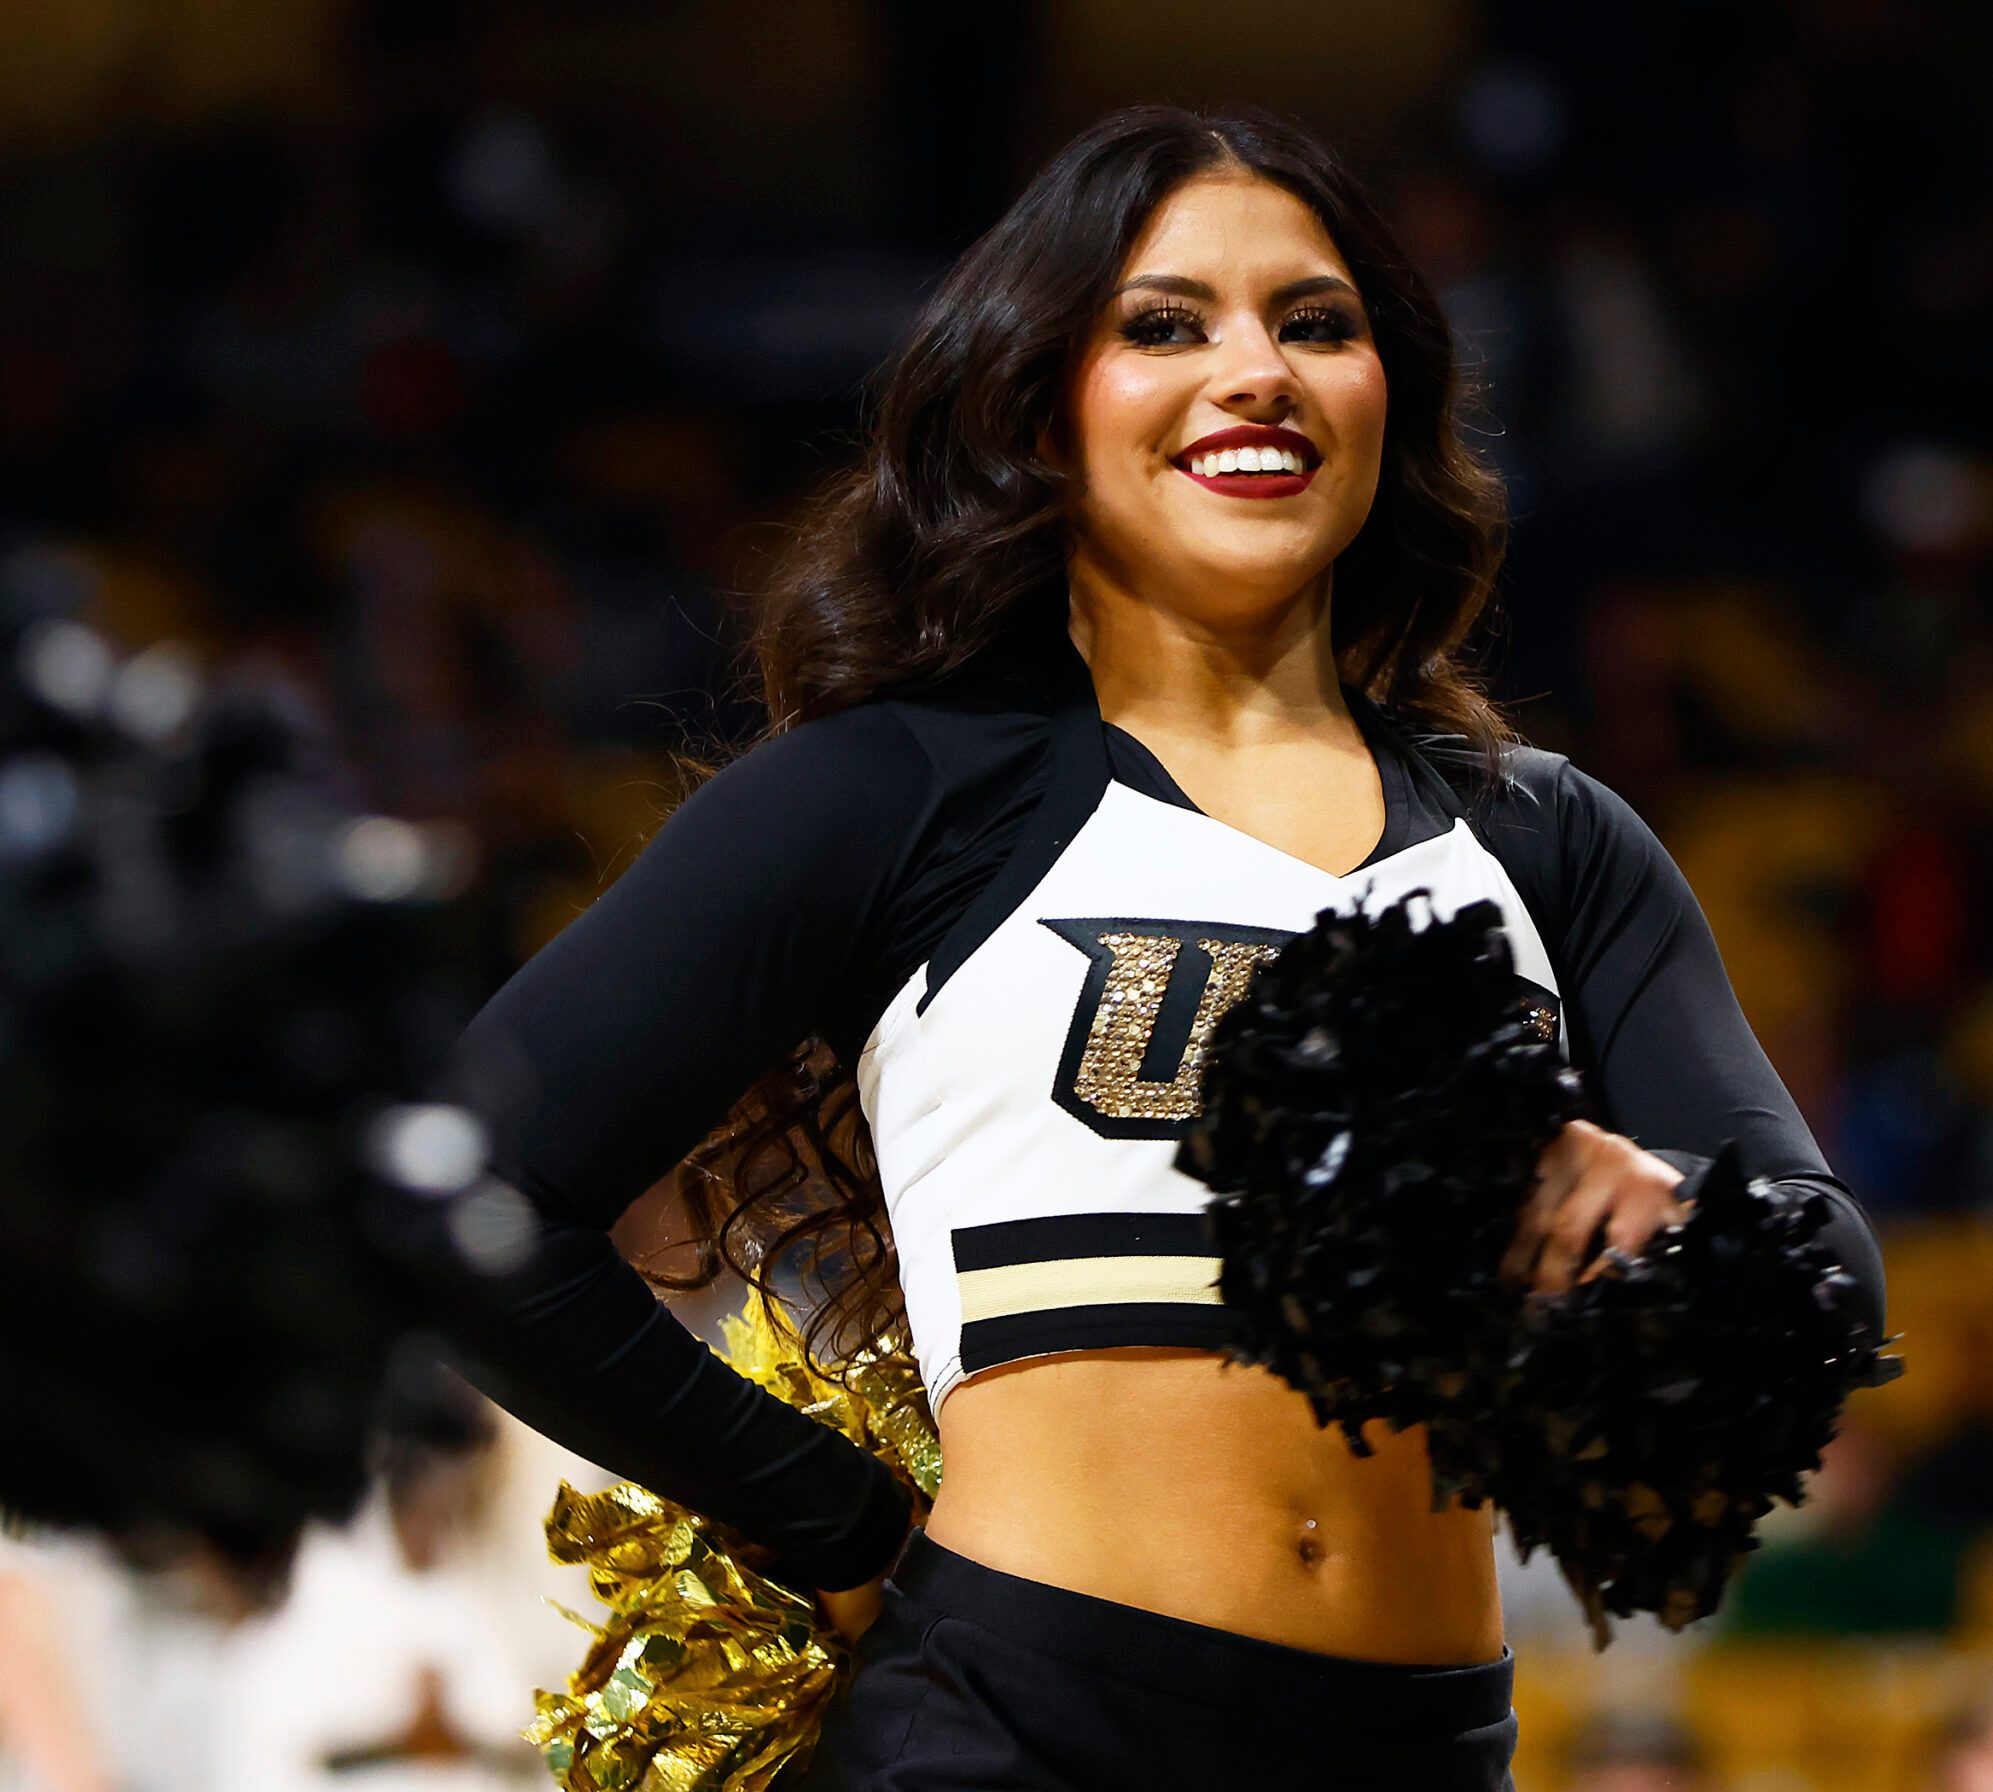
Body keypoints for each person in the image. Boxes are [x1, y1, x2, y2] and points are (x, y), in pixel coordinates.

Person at [423, 102, 1886, 1792]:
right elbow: (461, 1192)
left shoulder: (1549, 842)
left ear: (1386, 397)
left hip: (1423, 1748)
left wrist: (1644, 1221)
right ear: (1042, 407)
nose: (1256, 369)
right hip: (1014, 1728)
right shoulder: (903, 788)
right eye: (1167, 325)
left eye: (1317, 324)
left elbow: (1819, 1270)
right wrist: (830, 1525)